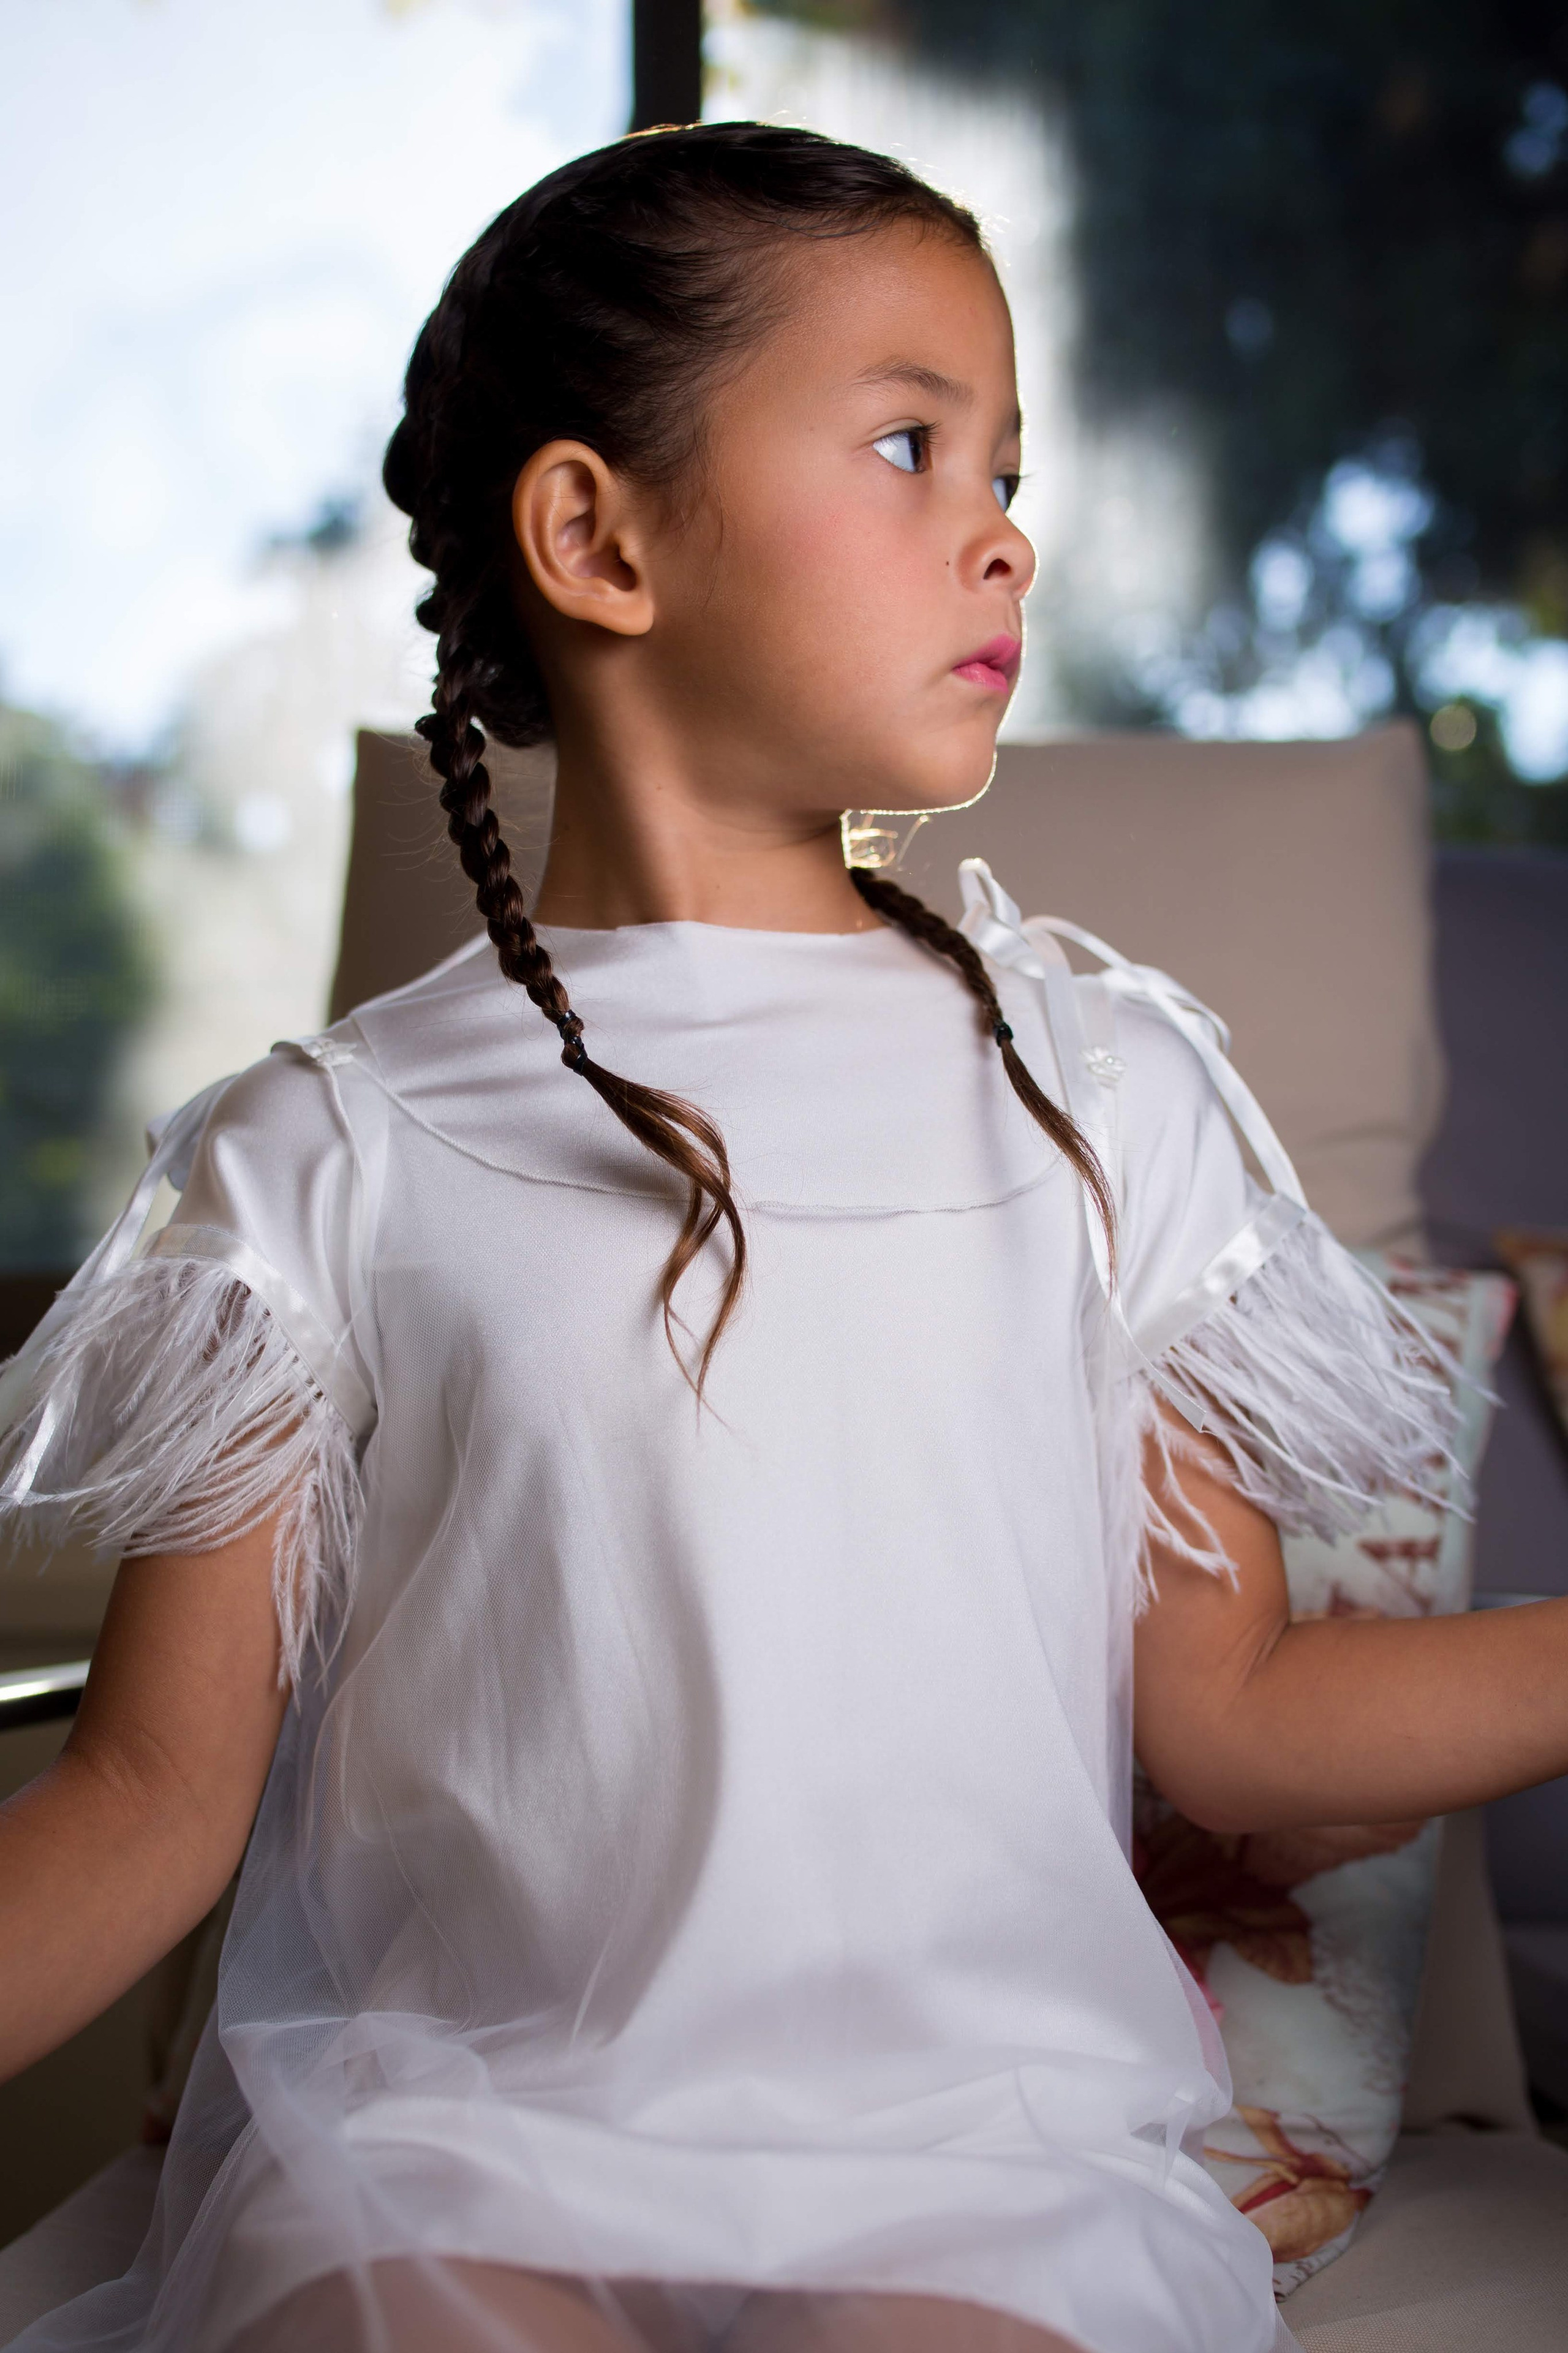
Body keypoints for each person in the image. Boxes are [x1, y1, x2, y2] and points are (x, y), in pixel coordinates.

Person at [0, 123, 1563, 2353]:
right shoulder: (321, 1154)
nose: (1004, 530)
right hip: (452, 2143)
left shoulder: (1100, 1092)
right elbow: (149, 1796)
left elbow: (1239, 1716)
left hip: (984, 2163)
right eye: (913, 445)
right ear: (592, 537)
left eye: (1008, 466)